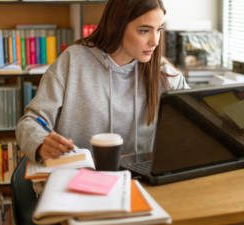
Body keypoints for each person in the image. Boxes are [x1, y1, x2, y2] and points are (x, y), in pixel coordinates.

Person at [16, 0, 189, 163]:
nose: (155, 41)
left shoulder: (164, 75)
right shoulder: (73, 61)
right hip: (80, 179)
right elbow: (29, 123)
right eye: (144, 30)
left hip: (140, 180)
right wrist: (41, 142)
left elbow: (196, 126)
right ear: (117, 26)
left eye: (159, 29)